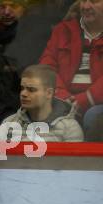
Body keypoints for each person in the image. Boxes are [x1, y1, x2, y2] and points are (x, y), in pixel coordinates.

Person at [39, 0, 103, 131]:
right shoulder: (63, 30)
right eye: (83, 0)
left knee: (94, 117)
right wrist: (62, 97)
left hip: (97, 103)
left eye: (94, 1)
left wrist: (85, 99)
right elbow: (46, 66)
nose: (86, 6)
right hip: (62, 98)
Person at [0, 64, 84, 142]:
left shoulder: (69, 128)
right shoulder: (9, 123)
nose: (23, 94)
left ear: (49, 93)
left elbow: (73, 162)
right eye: (22, 88)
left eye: (31, 90)